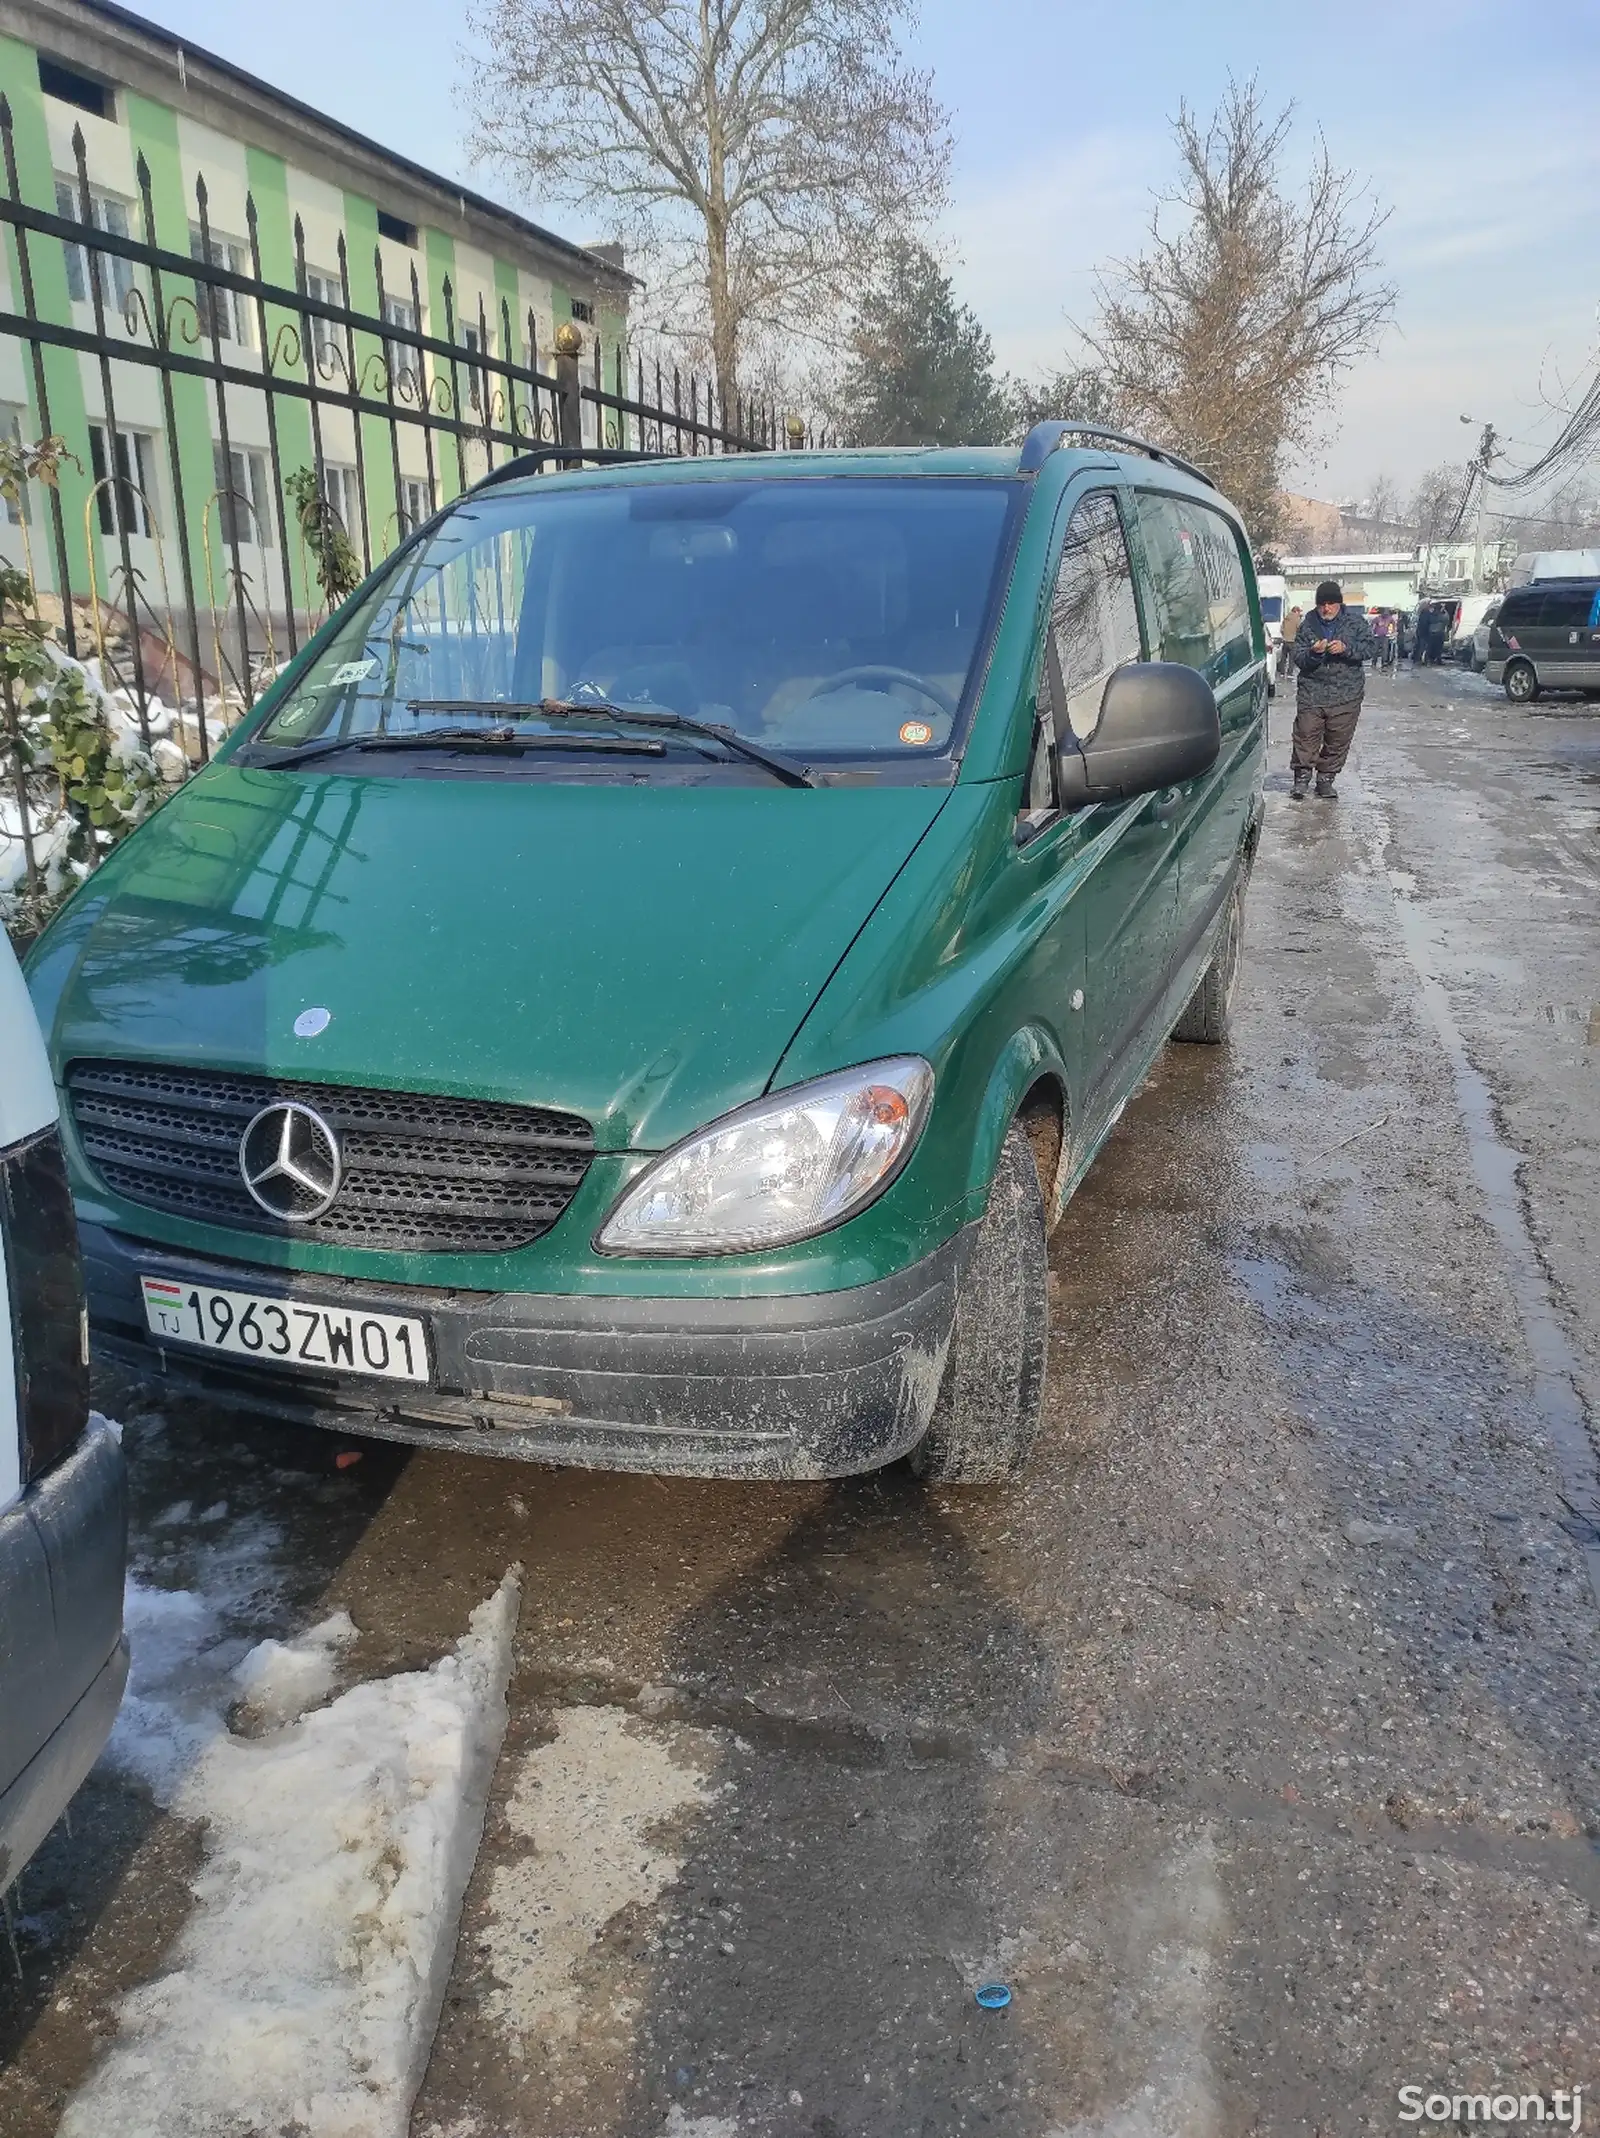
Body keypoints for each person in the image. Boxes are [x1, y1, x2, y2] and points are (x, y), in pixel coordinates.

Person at [1288, 578, 1374, 801]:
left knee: (1338, 738)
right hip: (1312, 692)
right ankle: (1301, 778)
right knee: (1306, 735)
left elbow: (1370, 648)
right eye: (1322, 604)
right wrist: (1314, 653)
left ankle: (1325, 780)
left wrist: (1347, 649)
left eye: (1331, 603)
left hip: (1346, 693)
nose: (1326, 608)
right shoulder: (1307, 625)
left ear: (1339, 604)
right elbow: (1298, 657)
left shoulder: (1355, 623)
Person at [1278, 603, 1303, 679]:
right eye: (1299, 611)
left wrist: (1285, 635)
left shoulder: (1286, 618)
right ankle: (1289, 673)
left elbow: (1281, 629)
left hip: (1285, 640)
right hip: (1293, 641)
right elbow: (1300, 629)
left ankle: (1282, 672)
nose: (1299, 613)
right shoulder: (1297, 618)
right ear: (1296, 611)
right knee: (1291, 658)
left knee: (1283, 657)